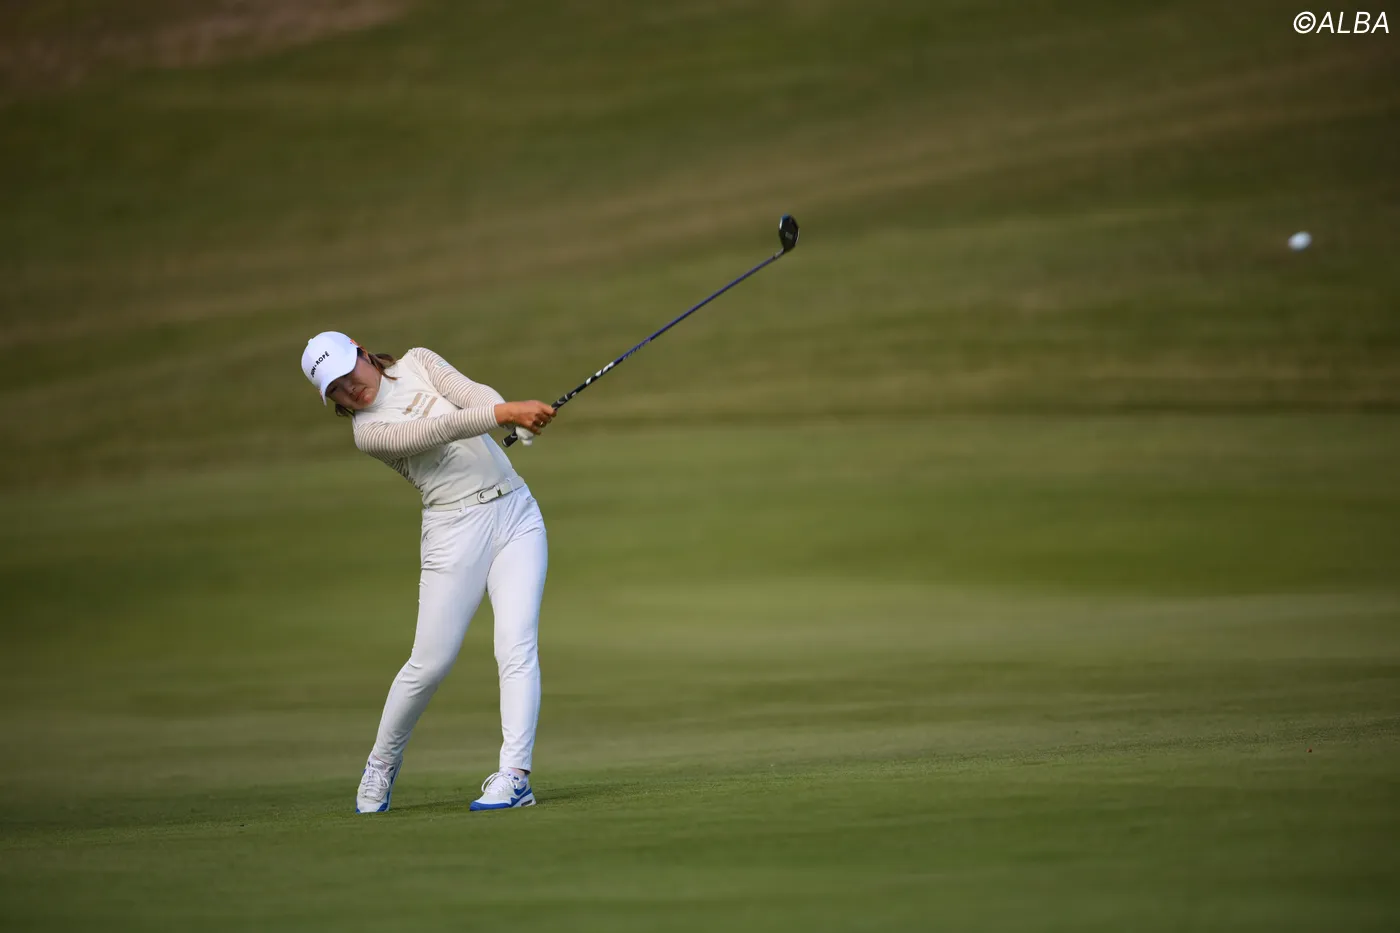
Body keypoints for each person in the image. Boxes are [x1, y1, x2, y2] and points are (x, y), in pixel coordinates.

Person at [299, 331, 557, 813]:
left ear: (362, 353)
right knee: (429, 663)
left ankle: (515, 776)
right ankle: (381, 762)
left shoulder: (418, 361)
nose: (349, 389)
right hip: (453, 532)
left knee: (516, 646)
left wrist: (506, 412)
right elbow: (440, 430)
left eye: (348, 373)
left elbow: (472, 395)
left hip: (517, 514)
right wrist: (506, 413)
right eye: (335, 389)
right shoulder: (369, 433)